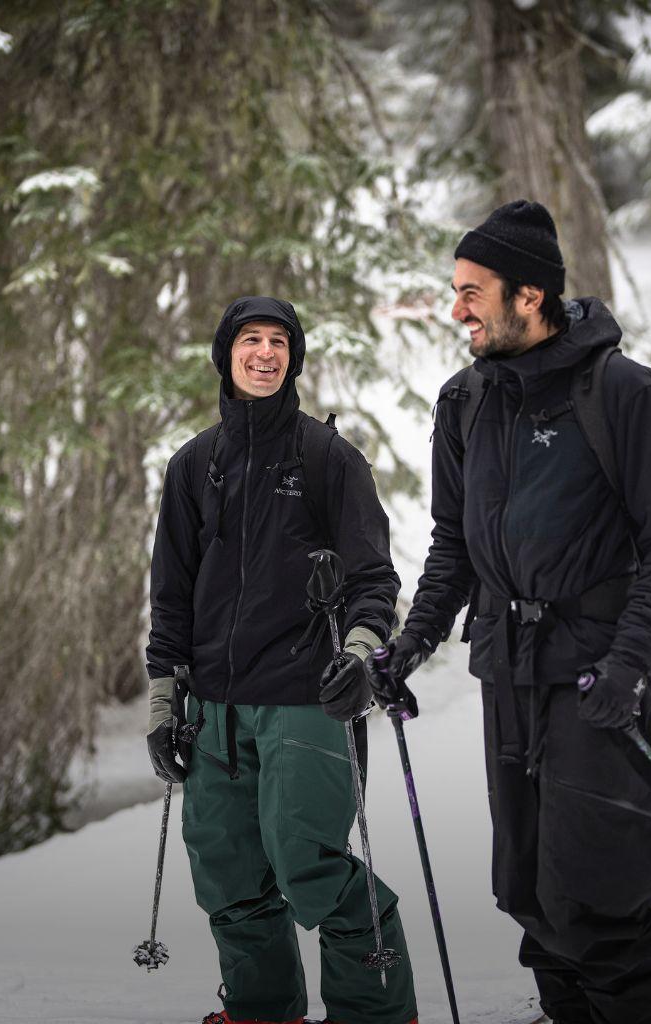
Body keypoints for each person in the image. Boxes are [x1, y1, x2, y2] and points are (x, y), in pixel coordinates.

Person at [367, 201, 651, 1024]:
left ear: (530, 295)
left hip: (593, 676)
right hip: (506, 675)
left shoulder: (621, 394)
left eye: (472, 291)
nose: (456, 310)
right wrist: (411, 644)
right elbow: (454, 542)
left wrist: (629, 663)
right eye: (455, 290)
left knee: (601, 903)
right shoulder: (466, 401)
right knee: (529, 898)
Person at [145, 296, 418, 1024]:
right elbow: (170, 598)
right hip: (213, 713)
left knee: (312, 868)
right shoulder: (194, 465)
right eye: (250, 340)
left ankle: (376, 1015)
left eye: (278, 342)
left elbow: (373, 581)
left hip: (305, 700)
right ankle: (262, 1013)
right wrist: (165, 707)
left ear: (294, 357)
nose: (265, 353)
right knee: (228, 874)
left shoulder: (329, 459)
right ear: (225, 354)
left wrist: (360, 655)